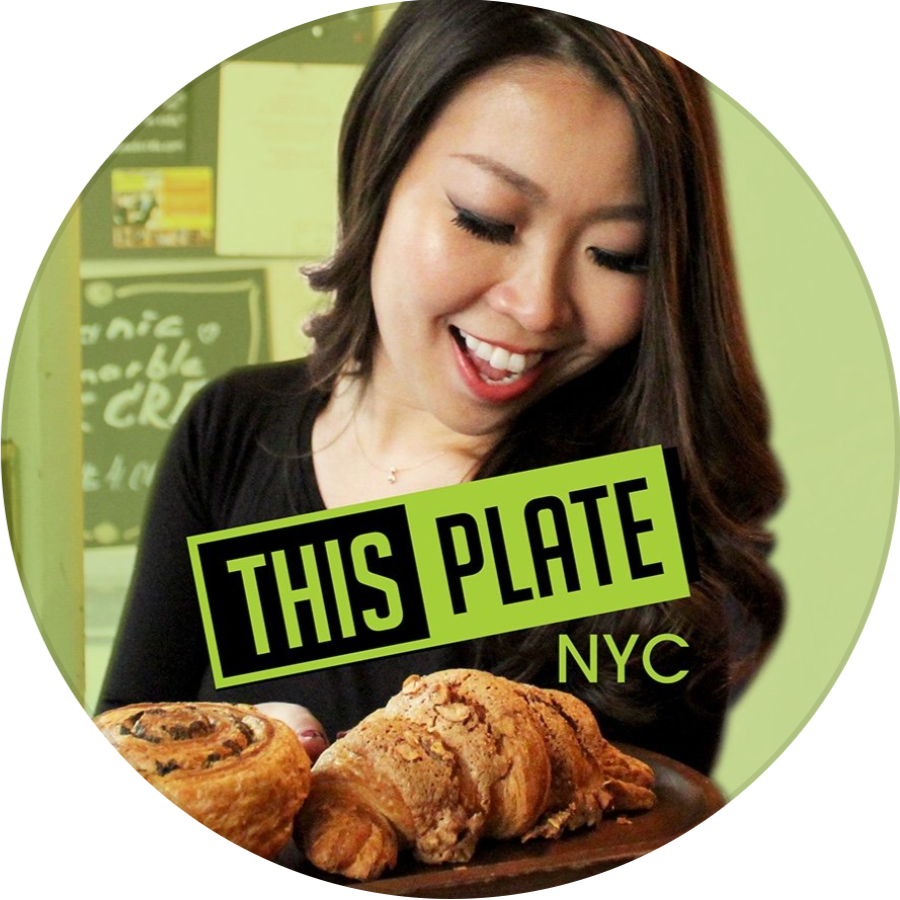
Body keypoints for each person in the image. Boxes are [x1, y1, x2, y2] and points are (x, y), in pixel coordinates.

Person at [100, 0, 784, 777]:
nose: (538, 306)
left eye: (619, 254)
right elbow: (124, 744)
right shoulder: (230, 427)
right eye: (485, 220)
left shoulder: (634, 524)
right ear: (377, 171)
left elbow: (624, 819)